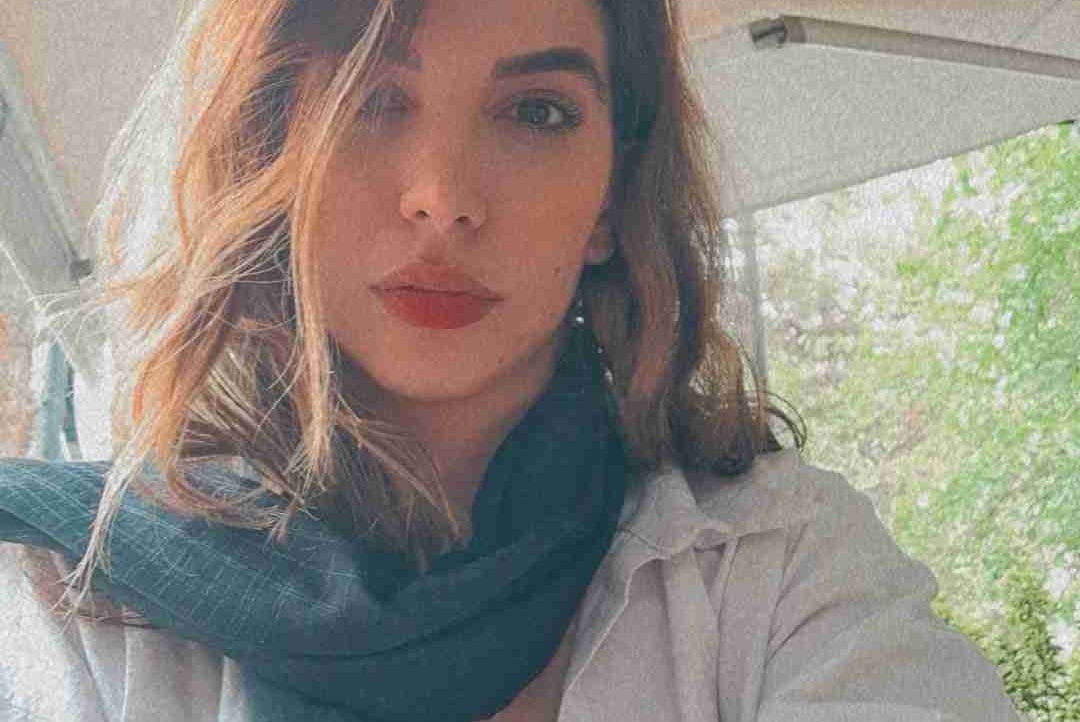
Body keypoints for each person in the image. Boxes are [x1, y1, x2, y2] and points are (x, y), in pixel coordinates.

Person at [0, 0, 1022, 720]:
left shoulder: (774, 563)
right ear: (271, 154)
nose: (443, 196)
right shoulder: (64, 598)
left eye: (537, 112)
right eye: (369, 99)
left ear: (612, 198)